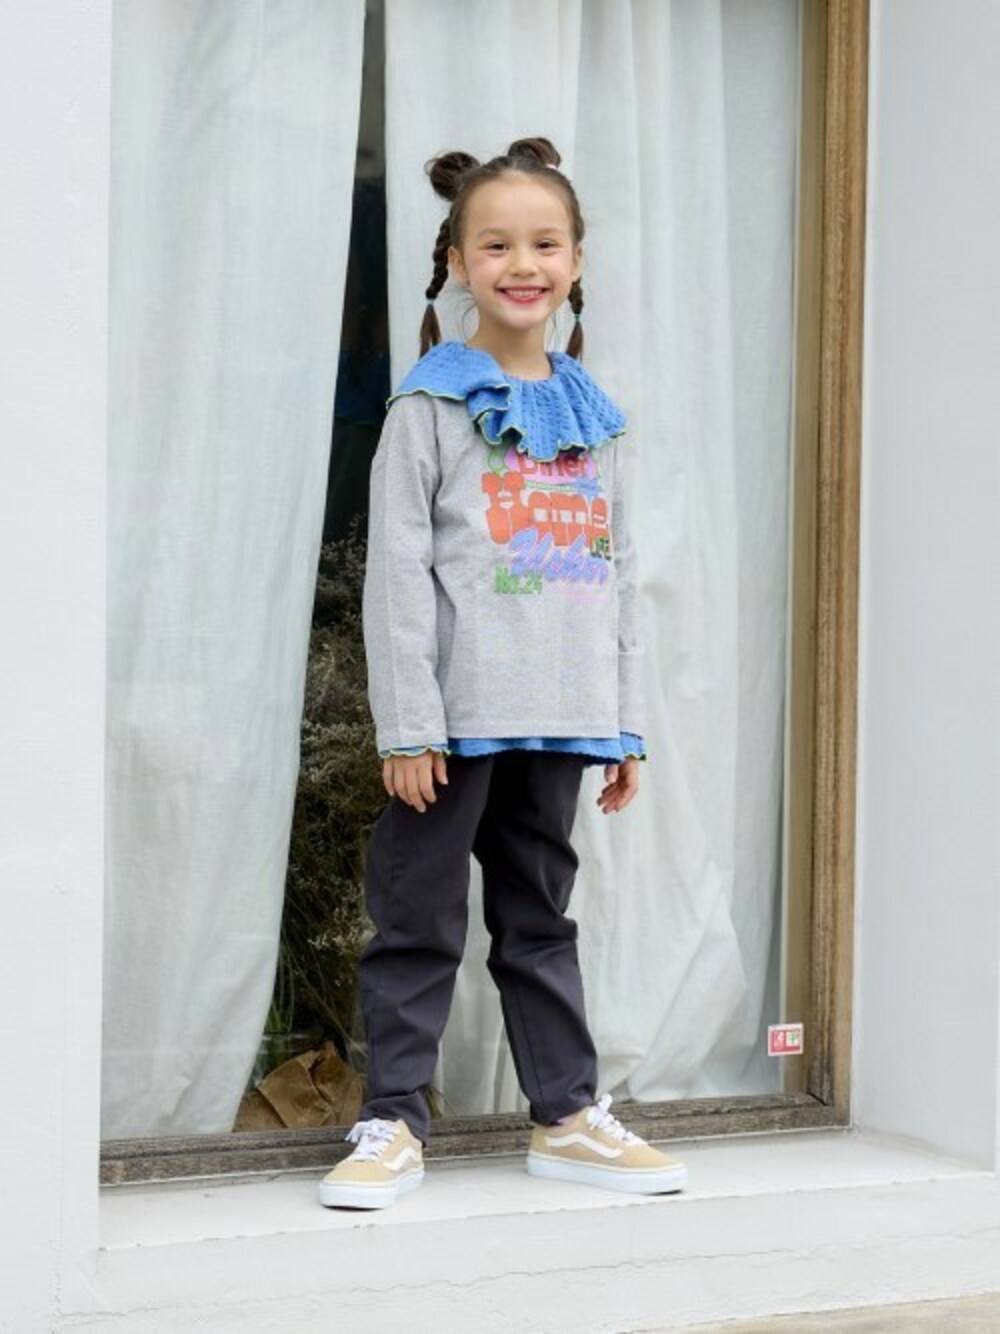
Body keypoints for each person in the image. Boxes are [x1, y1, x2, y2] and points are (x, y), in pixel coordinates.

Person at [319, 136, 687, 1211]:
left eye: (544, 244)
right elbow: (397, 579)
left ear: (575, 261)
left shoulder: (595, 419)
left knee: (540, 921)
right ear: (457, 260)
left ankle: (565, 1117)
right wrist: (407, 726)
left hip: (562, 716)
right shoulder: (429, 410)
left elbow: (616, 578)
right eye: (496, 245)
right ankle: (392, 1120)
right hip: (452, 726)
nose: (521, 264)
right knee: (418, 921)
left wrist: (622, 724)